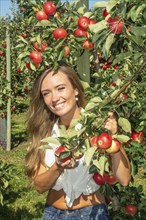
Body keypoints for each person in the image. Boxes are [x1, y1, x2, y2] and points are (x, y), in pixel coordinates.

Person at [25, 61, 131, 220]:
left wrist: (112, 138)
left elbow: (124, 179)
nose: (54, 98)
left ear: (75, 90)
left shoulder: (97, 127)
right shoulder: (45, 132)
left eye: (60, 88)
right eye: (46, 93)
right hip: (53, 213)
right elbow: (40, 186)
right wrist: (58, 166)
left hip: (92, 213)